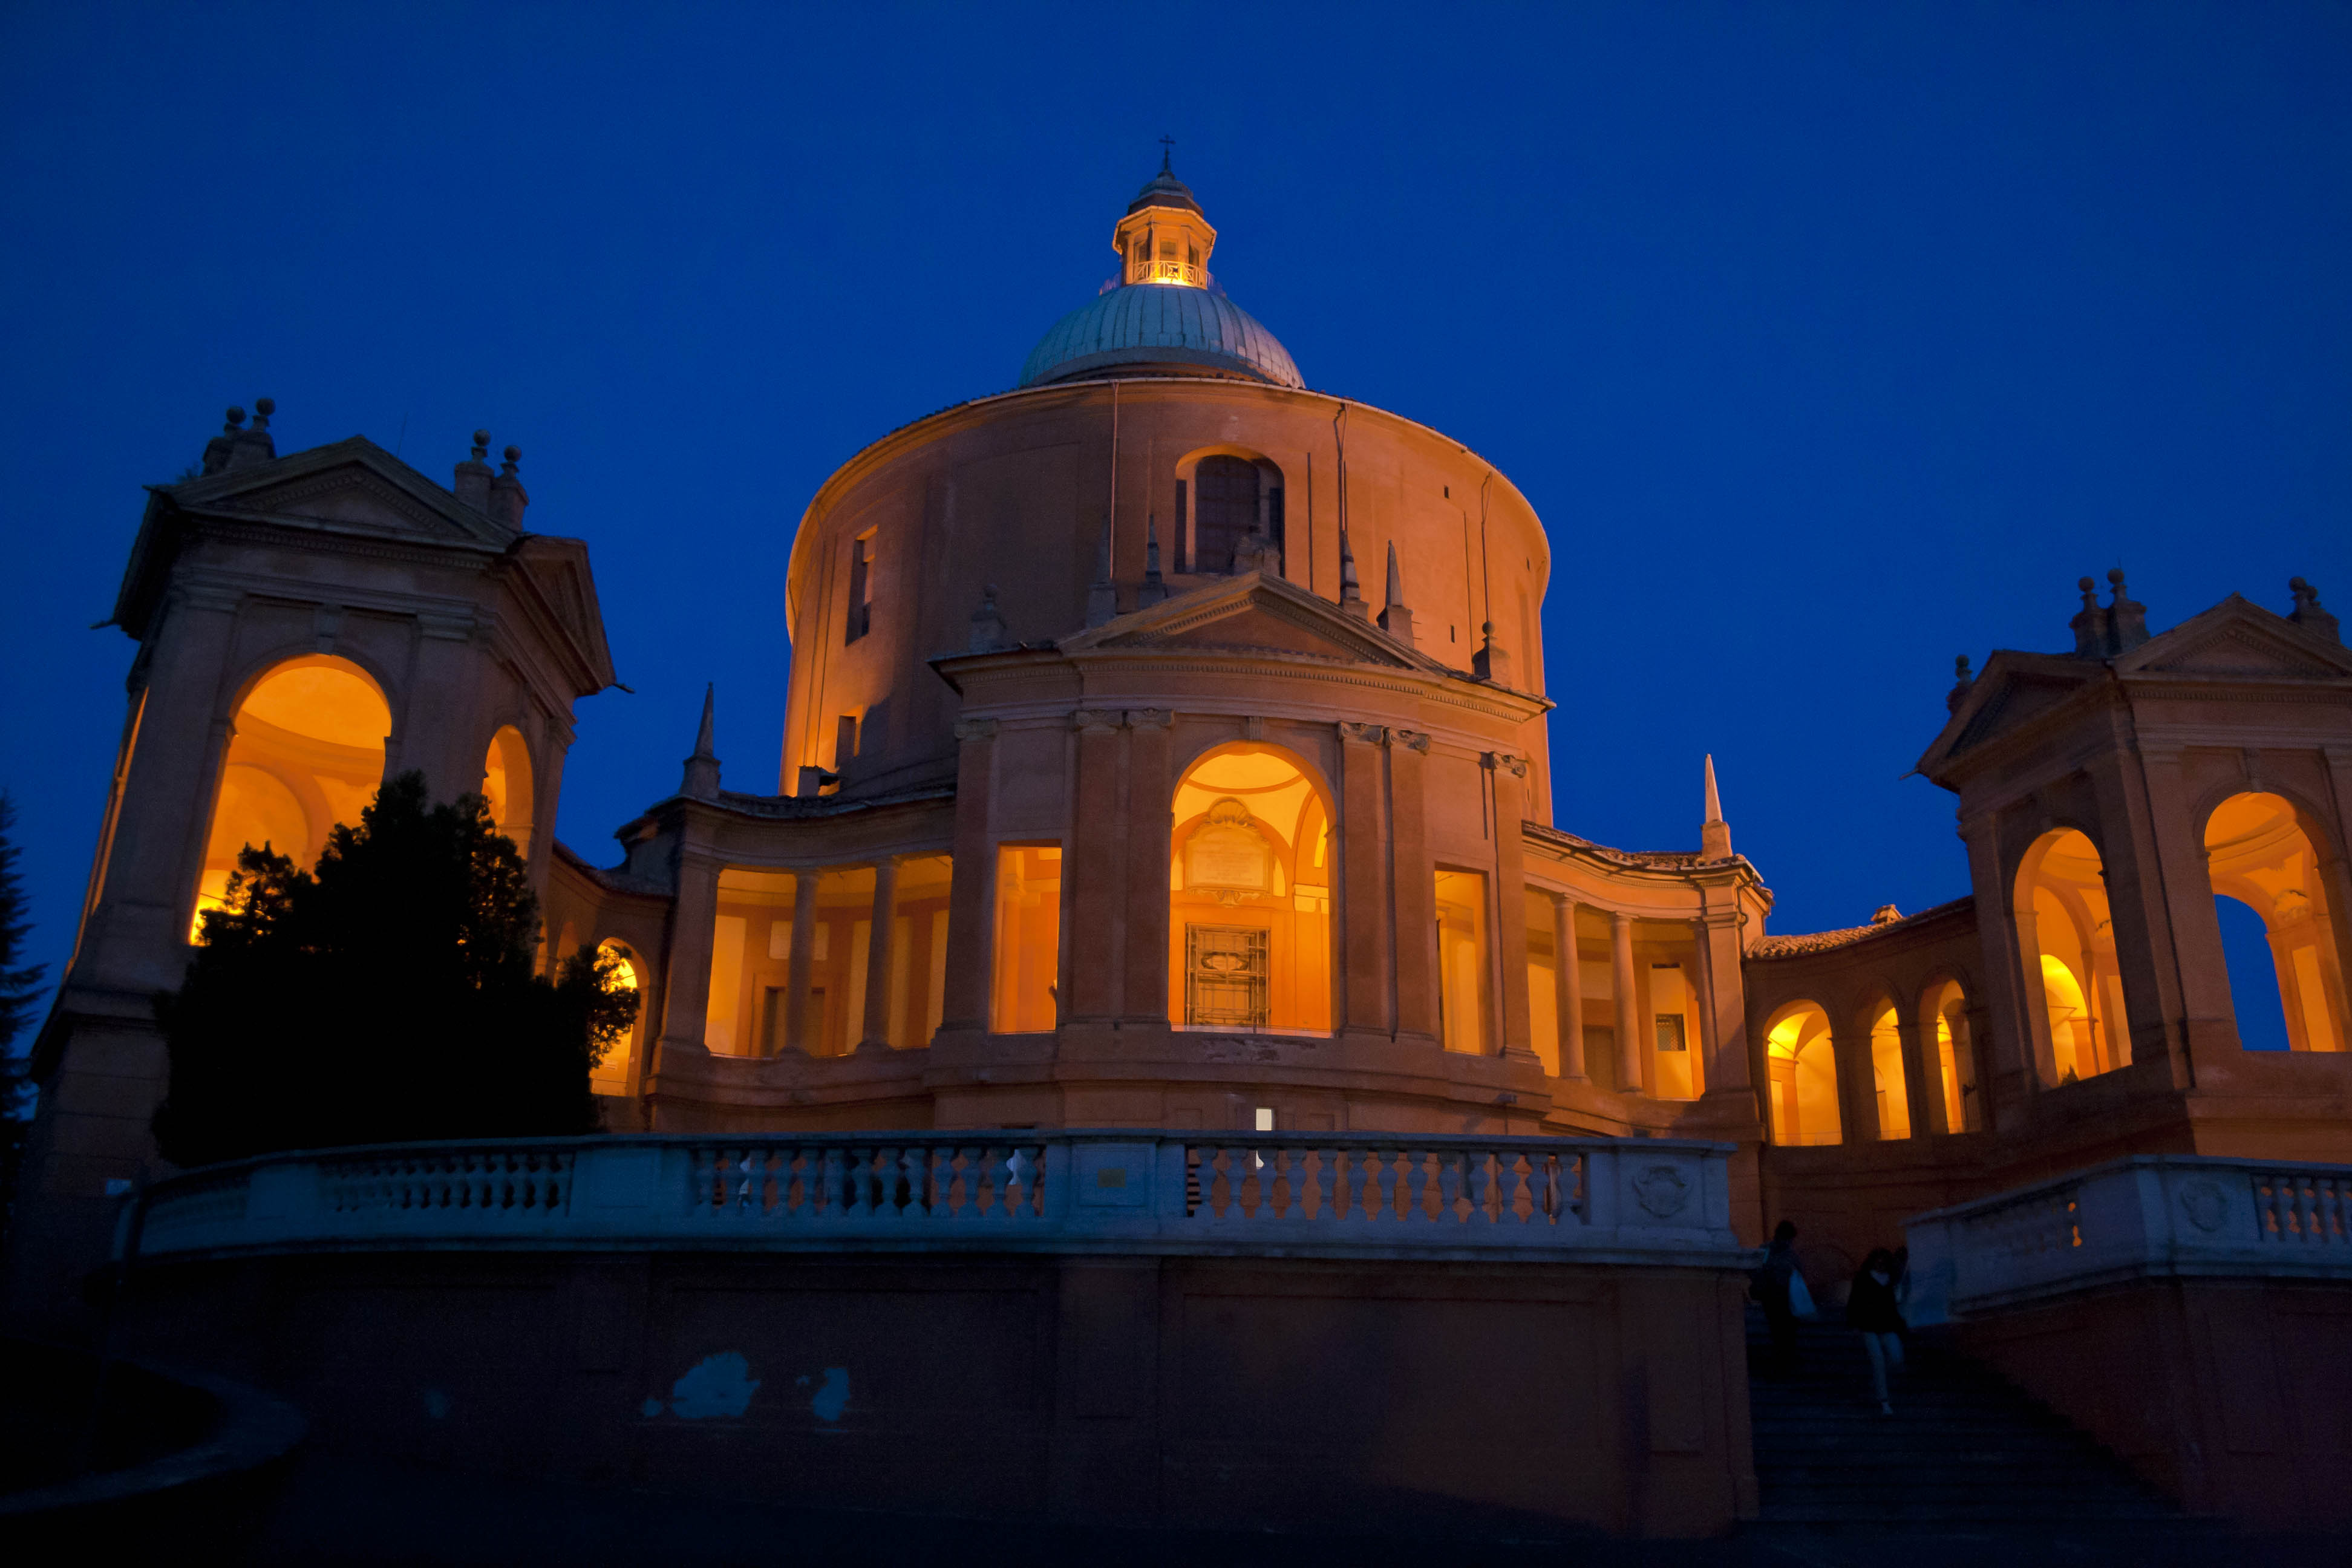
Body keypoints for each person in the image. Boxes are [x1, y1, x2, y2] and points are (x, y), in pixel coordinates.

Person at [1848, 1247, 1907, 1414]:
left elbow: (1891, 1306)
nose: (1880, 1264)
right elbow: (1854, 1302)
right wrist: (1854, 1325)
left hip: (1886, 1325)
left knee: (1896, 1358)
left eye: (1883, 1261)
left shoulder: (1889, 1279)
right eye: (1878, 1260)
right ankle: (1884, 1402)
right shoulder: (1863, 1278)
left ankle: (1880, 1387)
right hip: (1869, 1326)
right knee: (1878, 1361)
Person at [1751, 1220, 1802, 1375]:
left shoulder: (1790, 1254)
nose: (1788, 1242)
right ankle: (1782, 1364)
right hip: (1773, 1297)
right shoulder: (1767, 1251)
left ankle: (1785, 1364)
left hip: (1786, 1299)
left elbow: (1799, 1274)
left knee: (1786, 1333)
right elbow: (1758, 1269)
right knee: (1780, 1332)